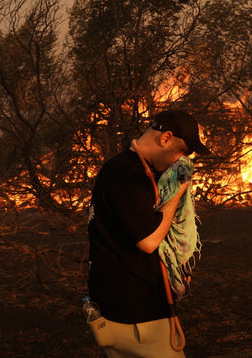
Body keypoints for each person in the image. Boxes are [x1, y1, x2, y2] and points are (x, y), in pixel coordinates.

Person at [87, 109, 210, 358]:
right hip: (138, 318)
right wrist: (177, 191)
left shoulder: (129, 170)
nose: (182, 161)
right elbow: (149, 240)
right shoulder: (127, 175)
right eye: (183, 152)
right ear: (165, 138)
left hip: (120, 309)